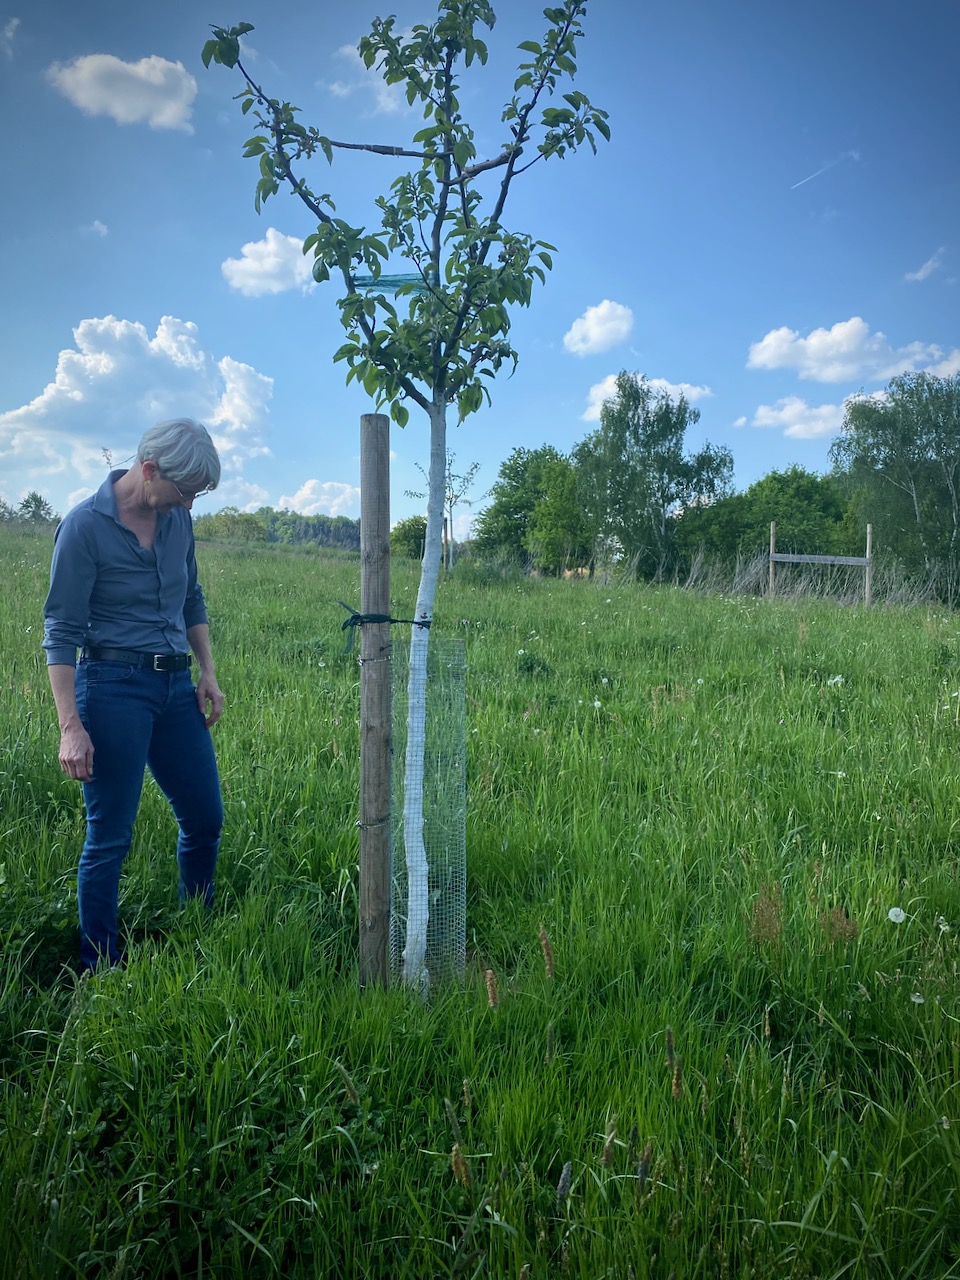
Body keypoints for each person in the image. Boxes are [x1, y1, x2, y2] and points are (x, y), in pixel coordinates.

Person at [43, 419, 225, 971]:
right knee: (110, 837)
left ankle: (196, 928)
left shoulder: (177, 522)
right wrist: (70, 726)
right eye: (185, 491)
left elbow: (191, 599)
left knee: (205, 818)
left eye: (196, 495)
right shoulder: (84, 528)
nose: (189, 505)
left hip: (174, 689)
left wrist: (207, 673)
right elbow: (61, 630)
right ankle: (99, 965)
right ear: (149, 470)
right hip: (112, 688)